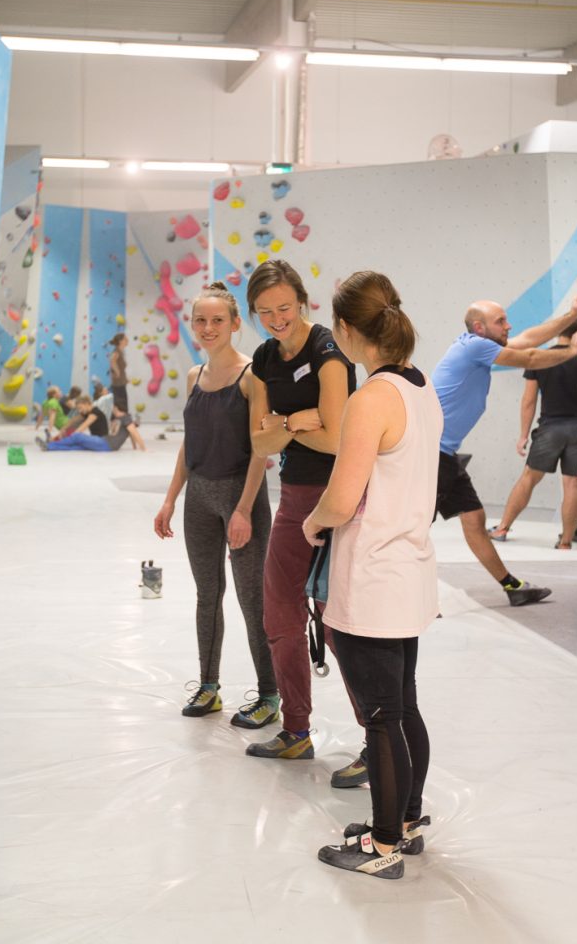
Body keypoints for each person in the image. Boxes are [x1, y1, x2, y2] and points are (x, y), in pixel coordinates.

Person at [302, 271, 443, 881]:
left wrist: (312, 522)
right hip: (409, 572)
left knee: (381, 716)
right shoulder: (420, 387)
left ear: (345, 330)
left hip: (372, 578)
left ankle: (383, 844)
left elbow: (342, 495)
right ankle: (404, 822)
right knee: (402, 706)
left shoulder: (371, 399)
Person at [244, 260, 358, 766]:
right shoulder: (266, 357)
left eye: (284, 307)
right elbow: (260, 439)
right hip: (293, 496)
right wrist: (296, 421)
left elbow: (337, 439)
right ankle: (296, 730)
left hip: (340, 498)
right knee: (279, 614)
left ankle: (375, 742)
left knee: (341, 626)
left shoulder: (327, 350)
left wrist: (281, 425)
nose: (276, 318)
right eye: (265, 311)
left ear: (302, 303)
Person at [153, 283, 278, 727]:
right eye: (200, 321)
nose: (207, 329)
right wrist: (170, 499)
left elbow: (262, 450)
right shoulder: (193, 376)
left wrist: (243, 509)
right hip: (198, 500)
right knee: (208, 596)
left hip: (241, 497)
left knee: (251, 600)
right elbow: (191, 443)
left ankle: (269, 694)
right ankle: (209, 687)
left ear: (235, 324)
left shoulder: (251, 377)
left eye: (217, 320)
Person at [432, 295, 577, 606]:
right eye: (500, 321)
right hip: (428, 453)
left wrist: (571, 316)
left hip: (443, 453)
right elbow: (529, 356)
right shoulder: (475, 346)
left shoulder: (478, 345)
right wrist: (572, 351)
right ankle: (413, 599)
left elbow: (528, 339)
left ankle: (512, 587)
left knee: (474, 518)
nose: (508, 325)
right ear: (479, 327)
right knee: (413, 528)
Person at [489, 320, 577, 548]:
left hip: (550, 428)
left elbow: (529, 400)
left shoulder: (541, 359)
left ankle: (502, 528)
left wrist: (523, 435)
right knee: (572, 484)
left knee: (529, 479)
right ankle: (566, 541)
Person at [37, 397, 145, 452]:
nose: (112, 409)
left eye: (114, 407)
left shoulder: (125, 418)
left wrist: (144, 448)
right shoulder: (120, 418)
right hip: (104, 443)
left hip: (104, 442)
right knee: (76, 446)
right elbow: (73, 421)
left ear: (117, 408)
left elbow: (133, 431)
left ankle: (50, 445)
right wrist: (134, 447)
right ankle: (49, 447)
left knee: (77, 437)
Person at [109, 333, 129, 412]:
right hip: (118, 384)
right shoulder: (116, 351)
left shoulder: (120, 351)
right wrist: (117, 372)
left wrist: (125, 379)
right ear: (121, 341)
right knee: (121, 404)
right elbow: (112, 360)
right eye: (125, 339)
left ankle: (124, 421)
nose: (127, 341)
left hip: (121, 383)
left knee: (123, 403)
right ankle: (122, 421)